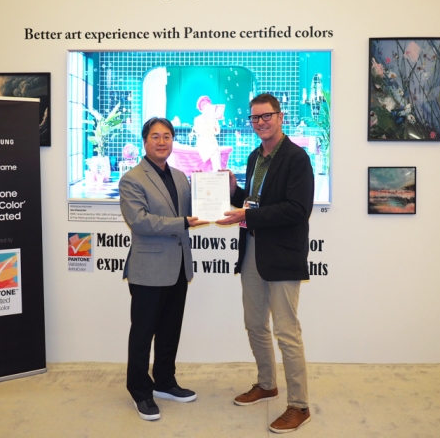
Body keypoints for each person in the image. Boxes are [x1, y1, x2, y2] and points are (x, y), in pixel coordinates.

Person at [217, 94, 314, 433]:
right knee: (255, 323)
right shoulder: (254, 157)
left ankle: (299, 405)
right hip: (252, 251)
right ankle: (267, 384)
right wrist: (234, 191)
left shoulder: (296, 158)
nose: (260, 122)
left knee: (286, 332)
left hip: (283, 254)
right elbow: (254, 202)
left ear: (280, 116)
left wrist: (248, 215)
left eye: (266, 116)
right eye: (255, 118)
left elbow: (297, 209)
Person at [119, 117, 208, 421]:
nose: (161, 142)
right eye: (155, 136)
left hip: (178, 266)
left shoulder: (181, 176)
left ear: (173, 140)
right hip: (148, 269)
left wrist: (215, 191)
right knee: (143, 333)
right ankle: (140, 390)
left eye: (167, 136)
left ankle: (165, 382)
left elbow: (194, 211)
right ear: (145, 141)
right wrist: (182, 223)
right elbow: (140, 221)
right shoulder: (132, 178)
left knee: (170, 330)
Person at [192, 95, 221, 172]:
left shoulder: (213, 118)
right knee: (211, 155)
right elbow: (200, 131)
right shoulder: (198, 119)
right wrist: (208, 120)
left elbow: (217, 132)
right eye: (204, 105)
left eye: (207, 105)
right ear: (200, 107)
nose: (206, 107)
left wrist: (213, 121)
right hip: (203, 143)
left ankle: (218, 174)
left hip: (212, 141)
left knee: (216, 156)